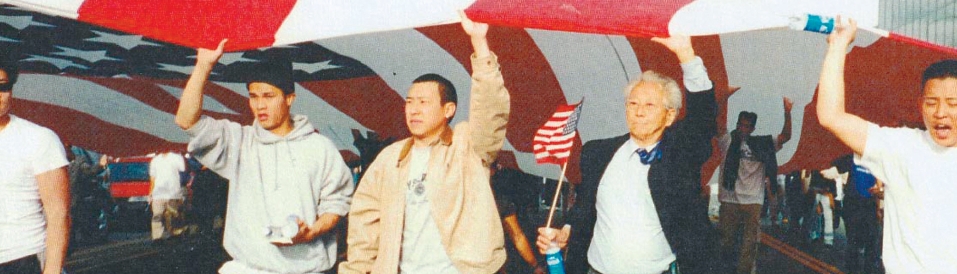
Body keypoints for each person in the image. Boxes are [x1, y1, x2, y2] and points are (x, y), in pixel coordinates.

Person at [339, 13, 510, 274]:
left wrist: (480, 43)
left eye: (423, 102)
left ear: (448, 109)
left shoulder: (466, 146)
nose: (413, 110)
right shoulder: (390, 158)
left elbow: (491, 109)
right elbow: (365, 222)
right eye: (409, 101)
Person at [537, 35, 719, 274]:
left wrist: (686, 55)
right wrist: (566, 231)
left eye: (650, 105)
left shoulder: (681, 154)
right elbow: (585, 205)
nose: (639, 112)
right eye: (633, 104)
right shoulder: (597, 153)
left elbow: (702, 119)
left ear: (670, 116)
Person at [175, 39, 355, 273]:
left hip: (306, 269)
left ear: (289, 98)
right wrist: (203, 66)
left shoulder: (320, 148)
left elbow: (337, 203)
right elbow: (186, 121)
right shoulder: (239, 141)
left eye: (269, 96)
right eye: (254, 96)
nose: (260, 105)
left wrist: (311, 232)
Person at [817, 17, 957, 272]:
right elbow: (831, 116)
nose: (941, 113)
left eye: (953, 103)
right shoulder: (902, 147)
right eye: (932, 102)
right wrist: (837, 47)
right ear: (920, 105)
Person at [0, 57, 70, 274]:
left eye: (3, 86)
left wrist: (52, 269)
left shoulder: (39, 139)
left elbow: (59, 213)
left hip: (22, 259)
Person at [716, 97, 792, 273]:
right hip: (730, 198)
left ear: (752, 128)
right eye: (741, 125)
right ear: (737, 124)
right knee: (726, 242)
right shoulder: (728, 142)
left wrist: (787, 112)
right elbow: (718, 125)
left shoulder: (762, 144)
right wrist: (723, 100)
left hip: (753, 201)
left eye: (747, 126)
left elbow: (785, 136)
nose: (743, 129)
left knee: (749, 244)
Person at [148, 151, 186, 242]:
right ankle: (157, 237)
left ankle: (175, 234)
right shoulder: (155, 160)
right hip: (158, 194)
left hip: (173, 193)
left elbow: (184, 171)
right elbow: (152, 178)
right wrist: (150, 193)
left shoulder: (176, 157)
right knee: (157, 215)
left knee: (173, 215)